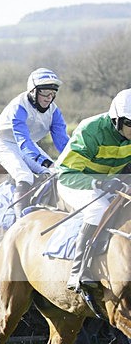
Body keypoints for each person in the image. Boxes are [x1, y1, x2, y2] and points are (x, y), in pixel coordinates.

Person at [55, 88, 131, 292]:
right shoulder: (91, 130)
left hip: (111, 183)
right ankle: (78, 271)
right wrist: (99, 183)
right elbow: (67, 173)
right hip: (75, 182)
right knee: (99, 209)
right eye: (130, 124)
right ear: (116, 120)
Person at [0, 68, 70, 218]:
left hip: (30, 145)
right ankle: (19, 220)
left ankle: (41, 206)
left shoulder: (54, 111)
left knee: (54, 173)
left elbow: (62, 141)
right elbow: (23, 141)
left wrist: (75, 159)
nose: (49, 98)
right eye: (45, 93)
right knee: (24, 176)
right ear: (33, 91)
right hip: (6, 144)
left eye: (53, 93)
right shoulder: (19, 106)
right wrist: (46, 162)